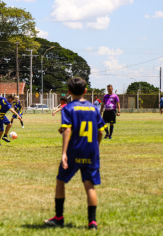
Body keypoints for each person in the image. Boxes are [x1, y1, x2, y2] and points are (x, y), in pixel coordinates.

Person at [44, 77, 106, 230]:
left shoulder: (68, 108)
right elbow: (101, 132)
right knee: (89, 184)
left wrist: (64, 153)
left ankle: (59, 217)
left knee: (60, 180)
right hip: (91, 151)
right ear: (86, 91)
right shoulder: (94, 108)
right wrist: (95, 146)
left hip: (74, 150)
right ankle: (92, 222)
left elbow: (67, 129)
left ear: (69, 92)